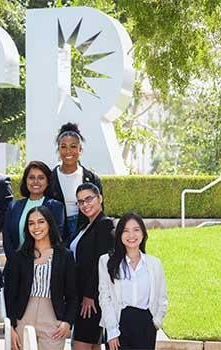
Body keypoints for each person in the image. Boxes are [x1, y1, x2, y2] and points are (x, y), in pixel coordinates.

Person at [5, 206, 78, 350]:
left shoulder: (65, 256)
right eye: (31, 223)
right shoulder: (20, 256)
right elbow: (11, 293)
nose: (36, 227)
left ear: (49, 224)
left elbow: (73, 294)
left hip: (52, 316)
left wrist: (68, 322)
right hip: (23, 315)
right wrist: (11, 326)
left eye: (41, 222)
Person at [98, 213, 168, 350]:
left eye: (136, 230)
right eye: (126, 231)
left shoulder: (154, 264)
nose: (131, 236)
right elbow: (105, 298)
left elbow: (162, 296)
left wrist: (156, 322)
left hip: (145, 325)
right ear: (119, 235)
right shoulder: (106, 261)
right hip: (119, 323)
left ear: (143, 234)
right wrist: (112, 331)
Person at [70, 183, 114, 350]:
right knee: (92, 344)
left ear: (100, 198)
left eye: (89, 199)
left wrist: (90, 295)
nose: (85, 204)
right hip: (81, 295)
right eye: (80, 202)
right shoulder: (85, 226)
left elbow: (101, 263)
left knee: (81, 343)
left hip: (91, 299)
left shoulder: (104, 224)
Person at [50, 122, 102, 244]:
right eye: (63, 147)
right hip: (58, 232)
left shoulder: (91, 178)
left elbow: (99, 209)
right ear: (58, 150)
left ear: (80, 150)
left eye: (73, 146)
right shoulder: (50, 178)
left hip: (85, 229)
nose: (68, 151)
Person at [2, 161, 65, 261]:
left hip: (45, 264)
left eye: (41, 178)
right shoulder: (13, 206)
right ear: (26, 180)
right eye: (31, 177)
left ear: (48, 181)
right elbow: (7, 237)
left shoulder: (56, 206)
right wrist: (15, 263)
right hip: (15, 265)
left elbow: (56, 238)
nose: (36, 181)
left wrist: (39, 261)